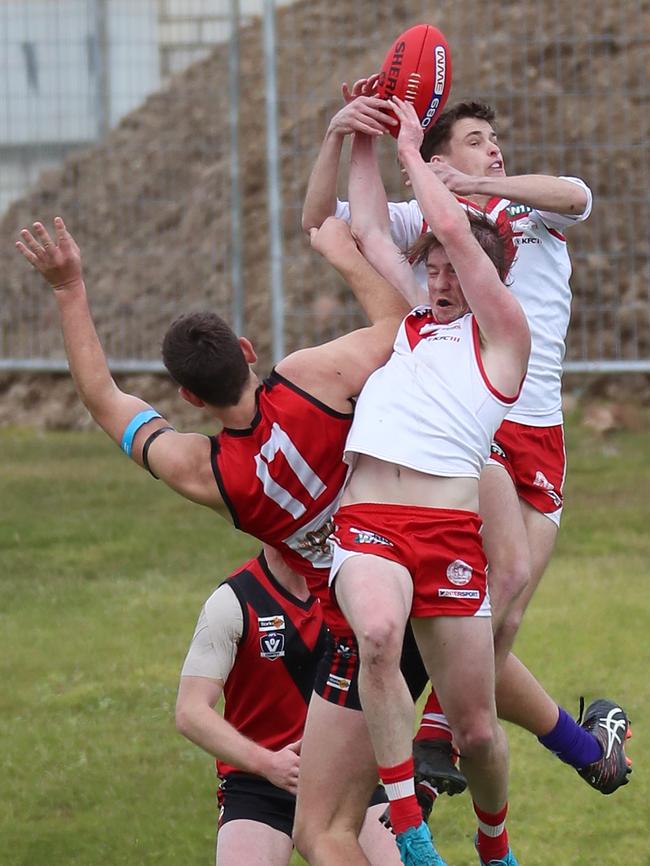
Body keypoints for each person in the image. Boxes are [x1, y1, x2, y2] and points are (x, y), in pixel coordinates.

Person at [15, 214, 417, 866]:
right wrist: (344, 251)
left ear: (189, 398)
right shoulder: (316, 377)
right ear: (249, 350)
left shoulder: (207, 472)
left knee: (324, 835)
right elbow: (402, 329)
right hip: (407, 575)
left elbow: (102, 398)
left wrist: (69, 289)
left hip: (351, 619)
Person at [302, 85, 632, 807]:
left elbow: (578, 193)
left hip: (538, 425)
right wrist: (365, 135)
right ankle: (428, 745)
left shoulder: (520, 205)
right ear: (437, 157)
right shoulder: (430, 229)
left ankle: (579, 746)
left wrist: (477, 180)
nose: (494, 147)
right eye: (477, 140)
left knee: (500, 609)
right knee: (495, 584)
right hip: (470, 427)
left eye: (493, 138)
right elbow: (351, 221)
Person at [325, 95, 530, 866]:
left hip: (447, 535)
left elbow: (451, 226)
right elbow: (374, 230)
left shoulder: (506, 337)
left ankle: (494, 843)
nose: (440, 281)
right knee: (377, 634)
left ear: (489, 281)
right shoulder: (411, 323)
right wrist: (366, 140)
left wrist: (418, 146)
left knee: (476, 732)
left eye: (455, 272)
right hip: (371, 516)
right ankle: (410, 832)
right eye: (433, 271)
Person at [175, 544, 396, 866]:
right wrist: (267, 763)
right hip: (257, 786)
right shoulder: (233, 601)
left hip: (346, 782)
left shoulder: (351, 589)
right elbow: (190, 711)